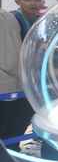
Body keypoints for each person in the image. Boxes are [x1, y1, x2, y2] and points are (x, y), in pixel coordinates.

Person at [0, 9, 34, 153]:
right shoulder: (11, 17)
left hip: (9, 89)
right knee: (12, 139)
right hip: (20, 87)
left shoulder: (10, 17)